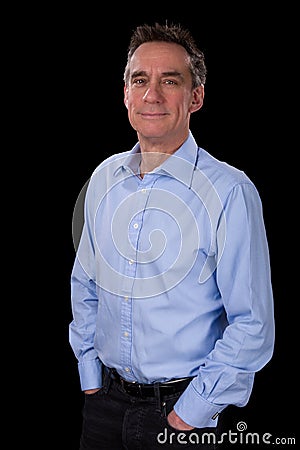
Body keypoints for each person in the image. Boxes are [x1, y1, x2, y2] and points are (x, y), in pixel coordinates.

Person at [69, 22, 275, 449]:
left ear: (195, 96)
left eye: (170, 81)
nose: (152, 94)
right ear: (125, 93)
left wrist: (190, 412)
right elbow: (86, 284)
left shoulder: (229, 192)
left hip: (180, 414)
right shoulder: (104, 178)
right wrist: (90, 374)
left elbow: (253, 324)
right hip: (103, 407)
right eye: (140, 80)